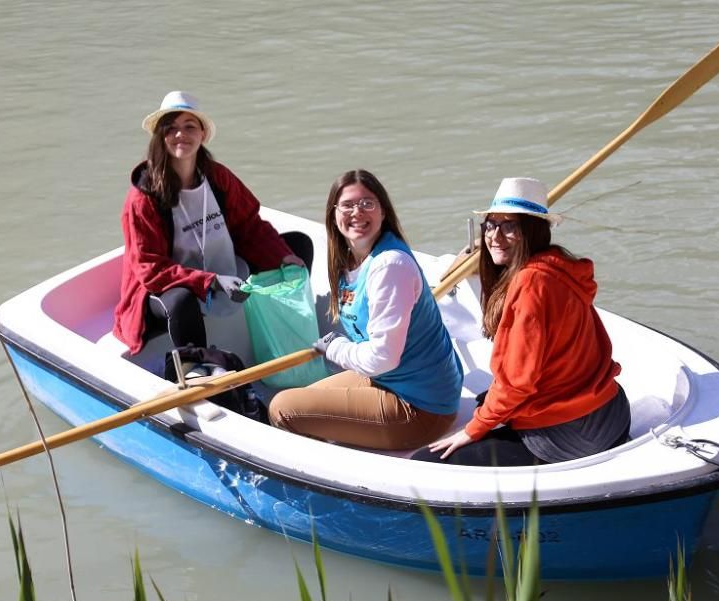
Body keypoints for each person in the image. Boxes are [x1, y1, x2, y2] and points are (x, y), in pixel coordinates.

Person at [412, 177, 630, 466]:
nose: (496, 236)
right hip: (611, 413)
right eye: (490, 225)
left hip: (572, 435)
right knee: (486, 399)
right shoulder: (558, 266)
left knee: (428, 460)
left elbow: (517, 383)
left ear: (532, 231)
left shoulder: (530, 285)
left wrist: (473, 430)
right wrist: (491, 244)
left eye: (510, 226)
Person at [268, 169, 464, 450]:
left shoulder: (390, 266)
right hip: (391, 381)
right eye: (347, 205)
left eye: (367, 203)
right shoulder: (349, 260)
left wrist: (334, 347)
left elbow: (382, 358)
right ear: (333, 215)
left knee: (283, 409)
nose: (357, 212)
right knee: (300, 399)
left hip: (422, 407)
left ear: (383, 212)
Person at [113, 91, 312, 355]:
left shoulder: (217, 177)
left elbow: (248, 225)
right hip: (167, 288)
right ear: (160, 137)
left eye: (189, 127)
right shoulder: (144, 197)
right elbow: (151, 270)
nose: (180, 135)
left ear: (203, 134)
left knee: (298, 246)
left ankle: (286, 331)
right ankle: (199, 367)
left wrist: (282, 255)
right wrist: (211, 281)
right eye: (170, 128)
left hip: (222, 270)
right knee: (180, 301)